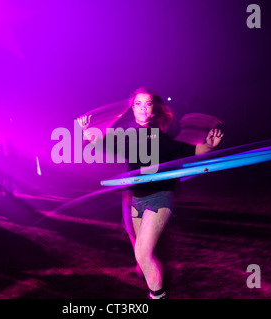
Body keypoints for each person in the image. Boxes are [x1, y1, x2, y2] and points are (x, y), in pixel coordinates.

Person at [78, 87, 224, 299]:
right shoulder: (126, 137)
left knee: (143, 254)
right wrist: (90, 136)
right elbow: (105, 147)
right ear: (132, 109)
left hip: (160, 197)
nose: (143, 108)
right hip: (136, 199)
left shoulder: (162, 140)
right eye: (138, 104)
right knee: (142, 254)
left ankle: (158, 294)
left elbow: (191, 151)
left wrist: (209, 145)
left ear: (154, 109)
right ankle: (152, 278)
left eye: (147, 103)